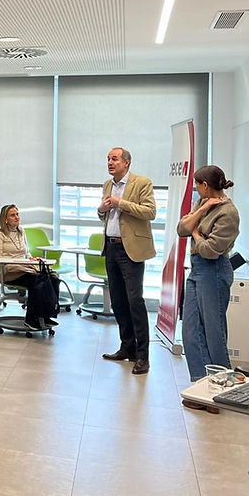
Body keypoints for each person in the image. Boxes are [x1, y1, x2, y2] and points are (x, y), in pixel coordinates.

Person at [178, 165, 240, 391]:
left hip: (213, 270)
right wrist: (201, 213)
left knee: (214, 333)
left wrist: (195, 232)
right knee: (190, 330)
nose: (195, 188)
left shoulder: (229, 213)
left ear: (205, 185)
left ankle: (223, 387)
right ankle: (202, 386)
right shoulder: (203, 203)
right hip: (196, 269)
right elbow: (181, 229)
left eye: (197, 184)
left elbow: (210, 250)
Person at [98, 147, 157, 375]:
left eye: (114, 159)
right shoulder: (107, 185)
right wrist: (101, 209)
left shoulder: (142, 183)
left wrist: (120, 203)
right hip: (110, 247)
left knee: (135, 302)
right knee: (118, 301)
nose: (110, 162)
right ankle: (127, 348)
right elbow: (105, 214)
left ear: (127, 163)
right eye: (108, 159)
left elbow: (150, 212)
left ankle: (143, 356)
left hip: (130, 249)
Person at [0, 205, 60, 331]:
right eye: (13, 215)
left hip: (26, 267)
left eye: (17, 214)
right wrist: (20, 262)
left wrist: (31, 259)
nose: (17, 217)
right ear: (5, 219)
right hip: (10, 271)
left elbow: (26, 252)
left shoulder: (21, 231)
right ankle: (31, 319)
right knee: (38, 280)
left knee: (53, 277)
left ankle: (46, 315)